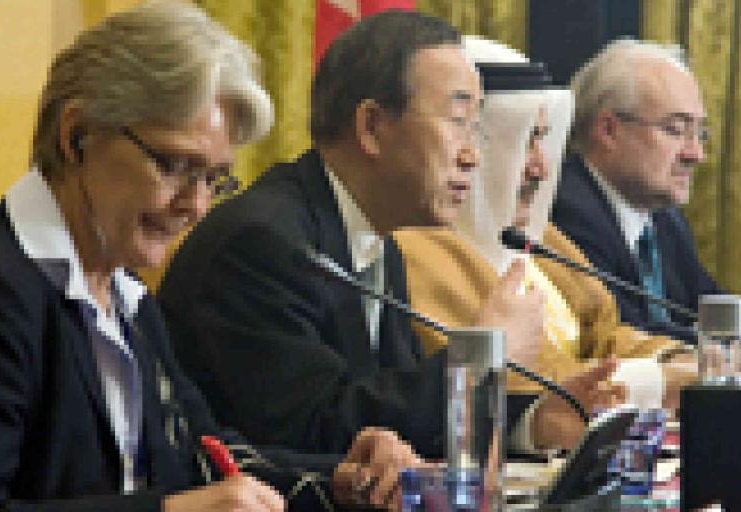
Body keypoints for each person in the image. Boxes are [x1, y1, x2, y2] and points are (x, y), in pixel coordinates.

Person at [0, 3, 421, 511]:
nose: (197, 205)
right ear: (77, 136)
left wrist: (340, 479)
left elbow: (201, 455)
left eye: (212, 179)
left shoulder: (125, 293)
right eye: (176, 166)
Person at [159, 9, 616, 458]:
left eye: (476, 129)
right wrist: (479, 357)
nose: (472, 156)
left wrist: (533, 422)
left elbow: (392, 411)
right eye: (458, 122)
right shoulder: (263, 244)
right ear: (373, 127)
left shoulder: (377, 239)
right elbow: (317, 430)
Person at [395, 37, 677, 450]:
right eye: (526, 141)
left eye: (544, 140)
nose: (541, 168)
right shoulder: (415, 248)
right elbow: (512, 381)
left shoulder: (538, 236)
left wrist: (678, 359)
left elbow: (607, 334)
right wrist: (656, 380)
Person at [551, 39, 722, 342]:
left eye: (699, 133)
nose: (695, 153)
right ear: (608, 130)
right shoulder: (567, 212)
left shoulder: (665, 217)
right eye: (676, 130)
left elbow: (713, 305)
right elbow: (623, 334)